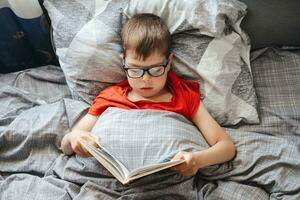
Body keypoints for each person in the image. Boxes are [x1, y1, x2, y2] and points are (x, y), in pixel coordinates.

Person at [61, 13, 236, 177]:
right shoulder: (110, 96)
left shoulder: (185, 97)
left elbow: (226, 147)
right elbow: (66, 145)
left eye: (155, 69)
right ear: (123, 62)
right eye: (135, 69)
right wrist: (74, 138)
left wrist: (197, 160)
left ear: (169, 63)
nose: (145, 79)